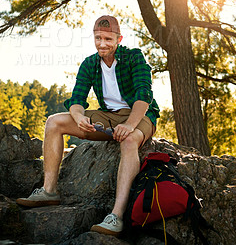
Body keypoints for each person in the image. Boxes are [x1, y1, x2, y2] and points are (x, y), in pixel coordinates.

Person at [16, 15, 160, 237]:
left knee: (129, 141)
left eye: (108, 39)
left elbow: (144, 95)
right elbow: (77, 100)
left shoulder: (134, 57)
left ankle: (116, 216)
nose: (102, 43)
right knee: (54, 122)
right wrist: (79, 117)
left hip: (139, 114)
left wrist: (130, 125)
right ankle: (49, 190)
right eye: (98, 38)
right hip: (108, 116)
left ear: (119, 38)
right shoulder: (90, 63)